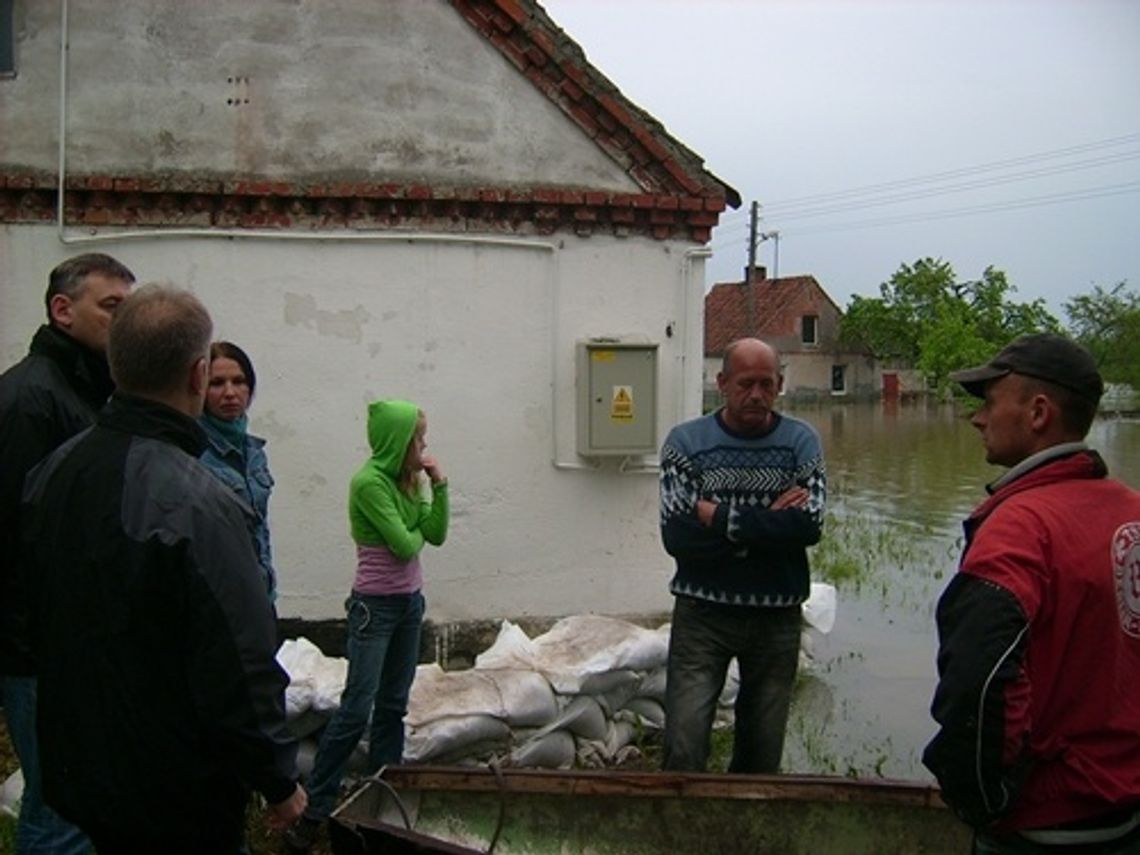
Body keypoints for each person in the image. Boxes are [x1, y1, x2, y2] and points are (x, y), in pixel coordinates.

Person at [20, 284, 306, 853]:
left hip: (81, 767)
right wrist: (278, 779)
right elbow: (239, 661)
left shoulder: (54, 469)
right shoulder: (198, 503)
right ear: (199, 375)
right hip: (175, 790)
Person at [923, 333, 1140, 853]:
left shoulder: (1019, 528)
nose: (978, 418)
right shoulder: (1130, 510)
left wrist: (982, 801)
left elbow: (978, 685)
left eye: (991, 402)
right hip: (1127, 811)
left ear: (1038, 412)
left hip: (1043, 821)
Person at [0, 252, 134, 854]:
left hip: (73, 640)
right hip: (42, 648)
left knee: (69, 799)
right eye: (112, 308)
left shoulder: (87, 393)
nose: (125, 323)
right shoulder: (31, 400)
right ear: (63, 310)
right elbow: (18, 538)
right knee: (59, 809)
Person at [285, 399, 448, 852]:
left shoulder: (410, 480)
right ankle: (314, 810)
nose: (425, 445)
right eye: (418, 437)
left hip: (409, 605)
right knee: (357, 708)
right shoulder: (368, 483)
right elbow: (403, 544)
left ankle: (382, 803)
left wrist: (441, 485)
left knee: (394, 706)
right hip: (373, 610)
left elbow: (435, 535)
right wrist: (414, 529)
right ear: (399, 441)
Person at [658, 337, 826, 774]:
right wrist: (767, 520)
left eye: (766, 385)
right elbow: (679, 537)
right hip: (703, 615)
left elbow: (807, 526)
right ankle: (679, 833)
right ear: (722, 382)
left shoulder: (800, 442)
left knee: (761, 754)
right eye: (745, 383)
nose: (756, 395)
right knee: (684, 744)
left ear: (780, 385)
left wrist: (720, 516)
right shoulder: (686, 444)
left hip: (777, 618)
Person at [200, 340, 278, 601]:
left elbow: (260, 530)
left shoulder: (254, 452)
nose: (230, 392)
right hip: (218, 598)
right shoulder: (192, 452)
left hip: (261, 594)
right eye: (217, 383)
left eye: (239, 381)